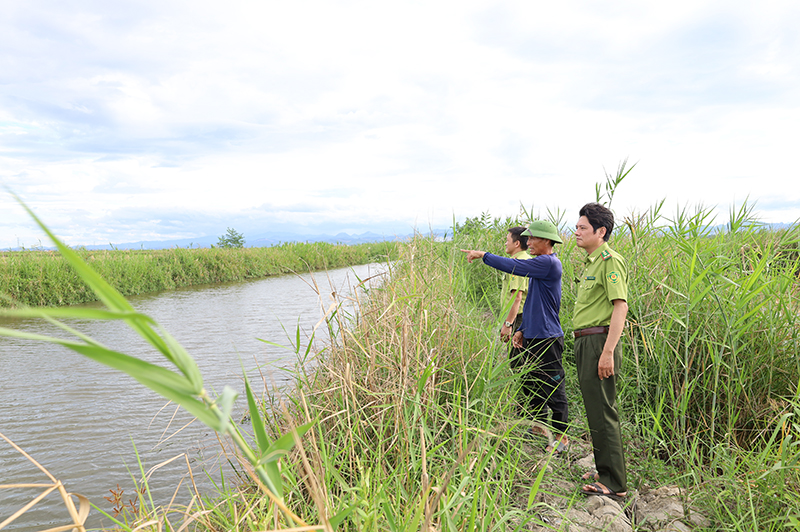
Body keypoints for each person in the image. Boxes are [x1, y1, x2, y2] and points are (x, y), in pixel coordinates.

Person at [461, 220, 569, 453]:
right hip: (534, 333)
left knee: (553, 386)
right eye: (527, 239)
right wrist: (522, 330)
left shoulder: (549, 263)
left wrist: (484, 255)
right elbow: (532, 304)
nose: (528, 243)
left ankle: (561, 437)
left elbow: (513, 267)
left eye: (533, 239)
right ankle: (539, 427)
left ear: (547, 241)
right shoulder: (540, 266)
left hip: (548, 337)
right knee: (533, 381)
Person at [572, 202, 629, 501]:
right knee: (595, 410)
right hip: (586, 341)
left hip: (599, 342)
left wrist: (608, 352)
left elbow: (620, 306)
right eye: (577, 226)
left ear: (601, 231)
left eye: (583, 228)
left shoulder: (609, 261)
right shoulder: (592, 262)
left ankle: (615, 482)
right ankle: (604, 469)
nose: (577, 232)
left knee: (604, 411)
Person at [500, 226, 531, 346]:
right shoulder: (527, 259)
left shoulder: (517, 264)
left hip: (517, 318)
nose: (505, 243)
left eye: (508, 240)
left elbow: (517, 297)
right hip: (520, 316)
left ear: (517, 243)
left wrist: (508, 323)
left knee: (516, 359)